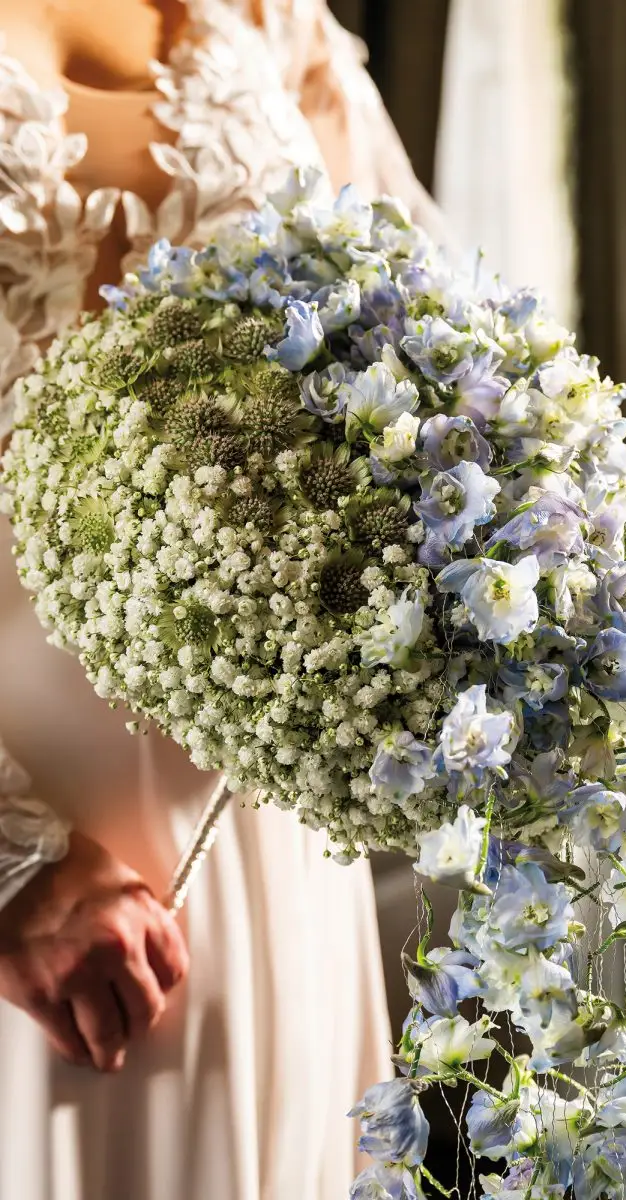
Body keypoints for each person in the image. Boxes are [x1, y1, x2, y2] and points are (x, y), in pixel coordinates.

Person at [0, 2, 437, 1196]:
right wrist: (13, 870)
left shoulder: (263, 14)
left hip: (258, 803)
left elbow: (418, 324)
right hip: (36, 835)